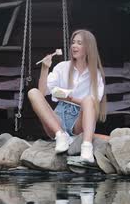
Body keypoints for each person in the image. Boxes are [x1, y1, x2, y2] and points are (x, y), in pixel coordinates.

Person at [27, 29, 106, 164]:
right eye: (73, 42)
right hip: (59, 117)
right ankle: (60, 135)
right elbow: (42, 92)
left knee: (88, 100)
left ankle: (86, 147)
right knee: (33, 92)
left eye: (79, 43)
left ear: (88, 48)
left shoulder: (95, 74)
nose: (74, 46)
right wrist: (45, 68)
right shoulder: (62, 67)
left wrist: (69, 98)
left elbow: (94, 103)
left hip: (80, 120)